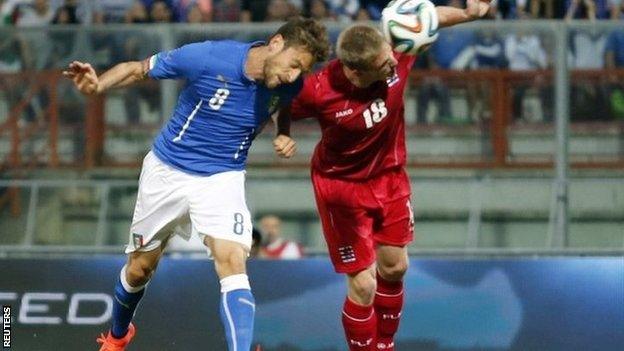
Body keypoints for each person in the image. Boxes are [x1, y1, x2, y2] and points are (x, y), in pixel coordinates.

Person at [63, 17, 329, 351]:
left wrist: (283, 131)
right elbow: (139, 68)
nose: (293, 76)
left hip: (222, 177)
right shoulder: (208, 56)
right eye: (293, 66)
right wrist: (98, 85)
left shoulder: (290, 83)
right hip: (167, 171)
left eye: (301, 71)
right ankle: (117, 337)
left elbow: (282, 102)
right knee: (140, 270)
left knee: (232, 261)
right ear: (276, 43)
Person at [275, 2, 490, 350]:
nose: (394, 63)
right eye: (383, 65)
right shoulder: (319, 90)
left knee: (395, 267)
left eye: (390, 56)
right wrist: (282, 132)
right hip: (341, 188)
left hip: (389, 176)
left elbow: (427, 18)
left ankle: (385, 345)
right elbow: (279, 99)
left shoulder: (392, 51)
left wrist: (469, 13)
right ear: (357, 73)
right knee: (363, 285)